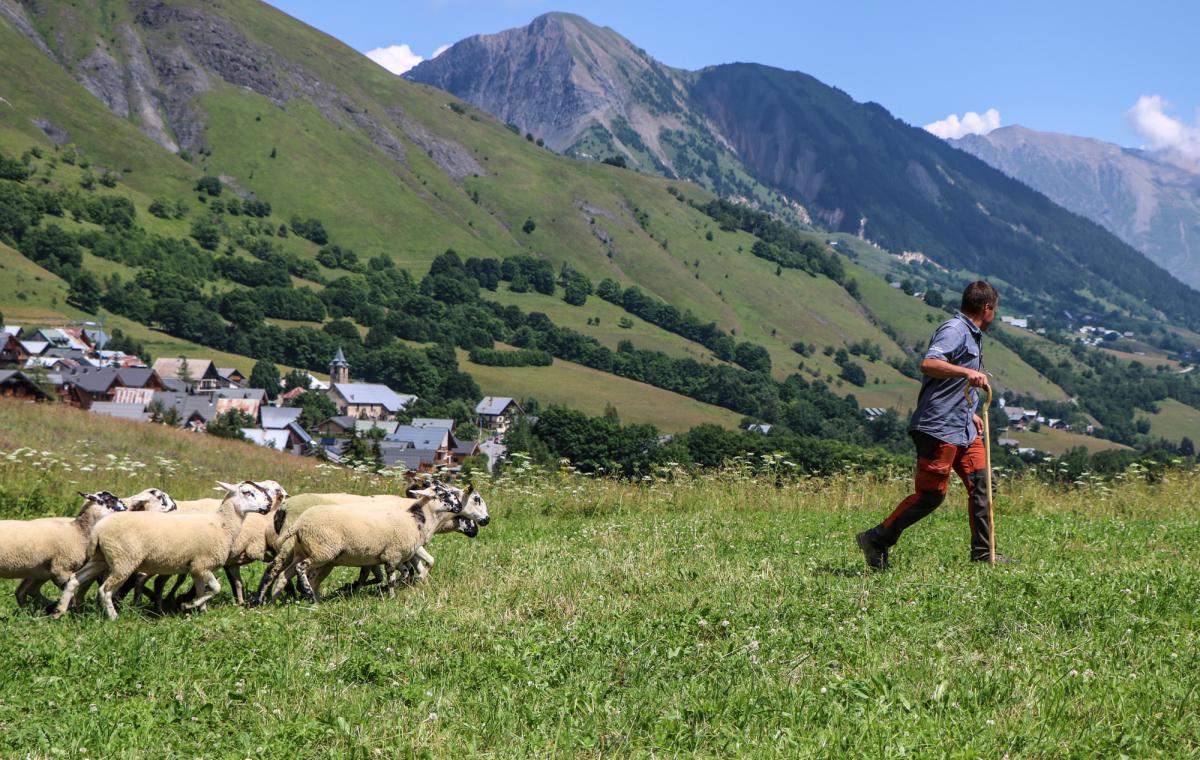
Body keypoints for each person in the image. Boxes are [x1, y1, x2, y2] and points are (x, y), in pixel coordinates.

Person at [856, 281, 1014, 569]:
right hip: (938, 427)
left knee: (983, 485)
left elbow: (953, 385)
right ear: (987, 307)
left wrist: (970, 410)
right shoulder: (954, 330)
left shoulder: (973, 334)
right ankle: (876, 539)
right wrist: (968, 372)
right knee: (931, 496)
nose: (996, 316)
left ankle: (983, 554)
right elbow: (929, 364)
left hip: (963, 425)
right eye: (996, 309)